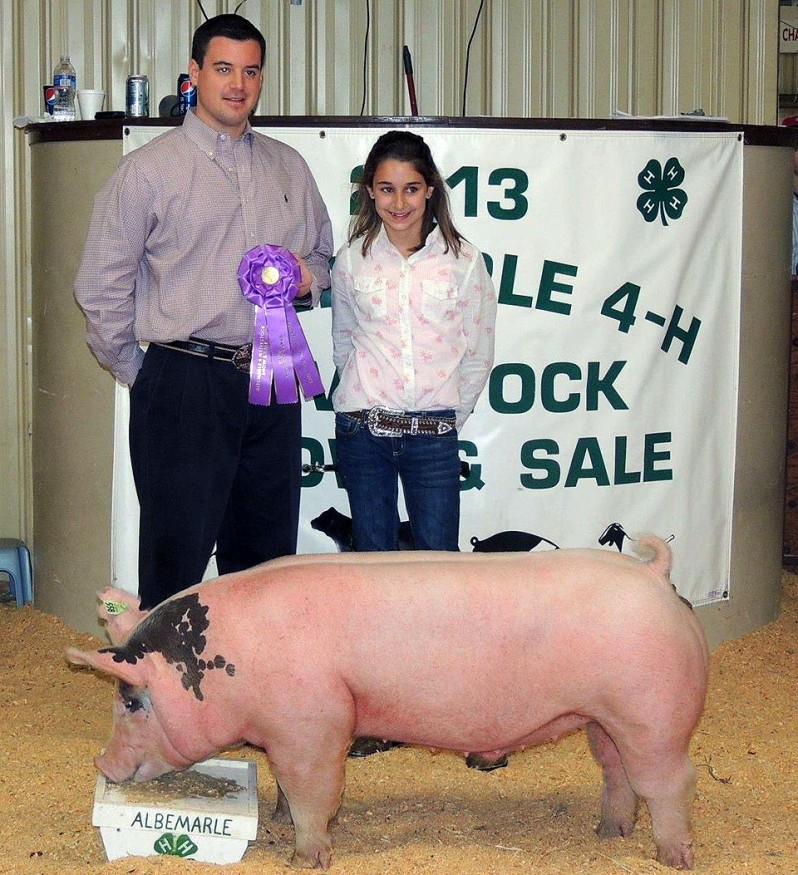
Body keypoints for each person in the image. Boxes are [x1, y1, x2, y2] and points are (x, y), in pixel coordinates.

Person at [74, 14, 333, 609]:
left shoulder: (289, 166)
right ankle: (162, 700)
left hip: (274, 383)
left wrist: (305, 276)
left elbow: (325, 257)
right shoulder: (147, 171)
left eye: (250, 70)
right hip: (183, 383)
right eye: (223, 68)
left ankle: (251, 702)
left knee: (266, 567)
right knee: (176, 563)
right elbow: (100, 285)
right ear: (194, 74)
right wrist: (147, 376)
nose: (237, 84)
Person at [331, 130, 497, 553]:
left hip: (433, 433)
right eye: (386, 189)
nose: (399, 203)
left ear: (430, 190)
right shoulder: (351, 260)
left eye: (411, 189)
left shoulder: (463, 261)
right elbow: (344, 343)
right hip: (362, 432)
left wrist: (446, 421)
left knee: (439, 564)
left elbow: (478, 350)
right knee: (372, 561)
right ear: (369, 192)